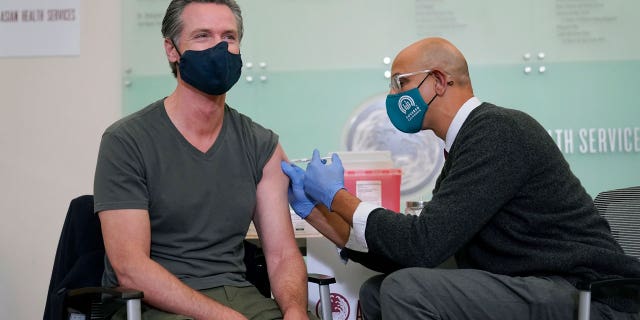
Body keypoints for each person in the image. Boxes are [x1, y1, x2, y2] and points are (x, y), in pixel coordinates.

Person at [281, 37, 640, 320]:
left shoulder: (498, 131)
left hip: (588, 295)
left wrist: (337, 196)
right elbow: (415, 254)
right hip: (536, 286)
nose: (392, 96)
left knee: (407, 291)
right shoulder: (463, 146)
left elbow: (422, 245)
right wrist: (316, 212)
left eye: (399, 83)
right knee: (380, 291)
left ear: (438, 80)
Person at [94, 1, 314, 319]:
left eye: (229, 36)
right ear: (172, 50)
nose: (219, 48)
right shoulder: (127, 142)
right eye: (202, 36)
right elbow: (131, 269)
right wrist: (222, 317)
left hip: (241, 297)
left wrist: (295, 311)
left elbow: (281, 254)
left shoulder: (261, 144)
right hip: (153, 303)